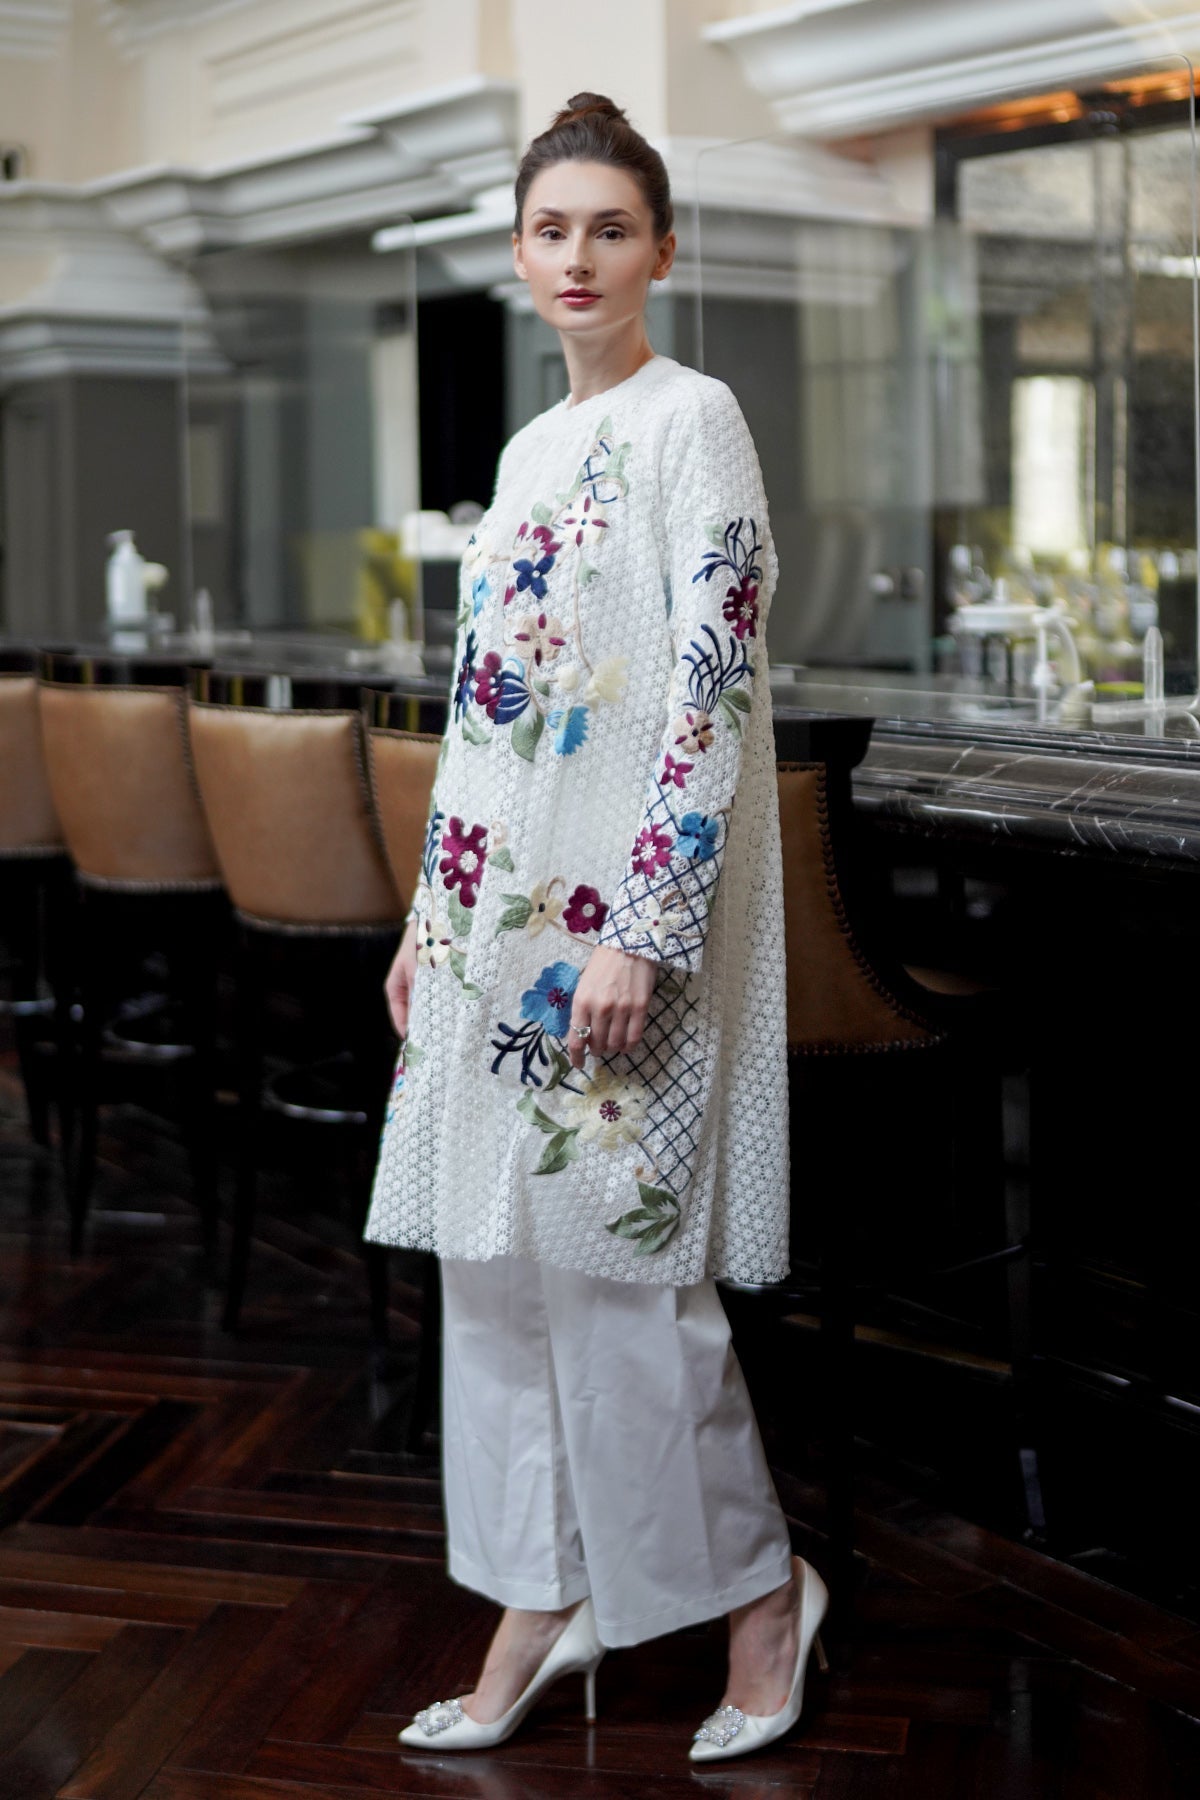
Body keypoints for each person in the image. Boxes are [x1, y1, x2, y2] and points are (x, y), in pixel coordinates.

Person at [364, 91, 828, 1764]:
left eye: (611, 229)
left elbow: (711, 688)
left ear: (661, 251)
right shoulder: (521, 454)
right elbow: (483, 711)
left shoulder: (696, 419)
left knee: (624, 1270)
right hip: (494, 918)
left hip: (620, 922)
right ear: (516, 253)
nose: (580, 257)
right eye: (552, 230)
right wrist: (431, 916)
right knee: (490, 1273)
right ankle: (535, 1593)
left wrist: (646, 925)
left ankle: (761, 1591)